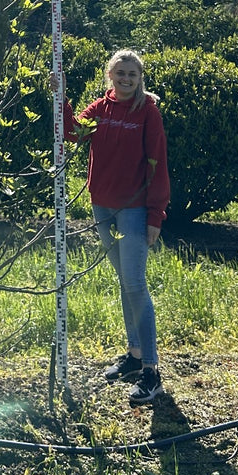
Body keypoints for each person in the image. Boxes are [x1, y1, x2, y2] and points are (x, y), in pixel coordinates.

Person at [61, 48, 170, 406]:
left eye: (132, 75)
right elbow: (74, 133)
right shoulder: (100, 108)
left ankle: (152, 372)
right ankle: (134, 356)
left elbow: (158, 165)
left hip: (134, 210)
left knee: (136, 284)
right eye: (120, 73)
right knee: (124, 282)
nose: (126, 79)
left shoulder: (147, 112)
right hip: (102, 205)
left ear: (140, 79)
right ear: (110, 75)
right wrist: (60, 95)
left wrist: (156, 215)